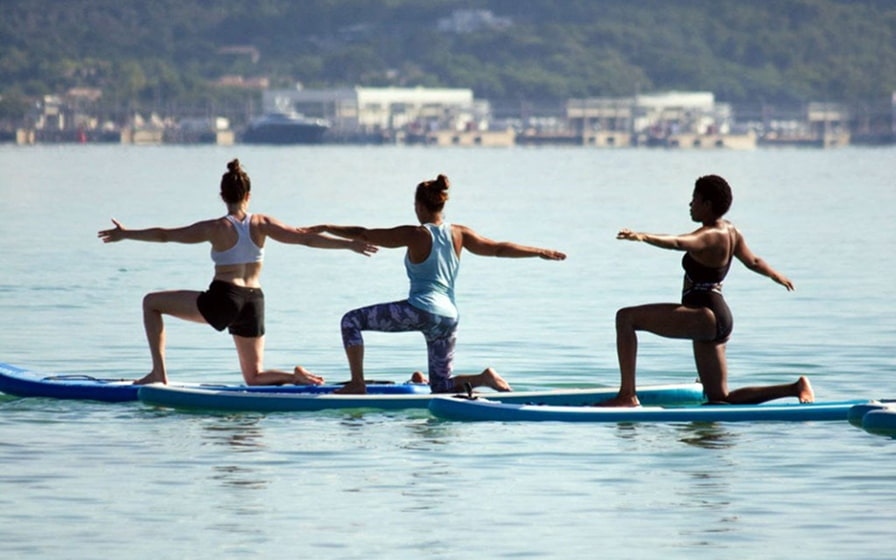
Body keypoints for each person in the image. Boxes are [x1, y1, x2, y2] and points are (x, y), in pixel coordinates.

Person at [97, 158, 378, 386]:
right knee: (254, 377)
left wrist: (127, 234)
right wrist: (350, 245)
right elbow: (305, 238)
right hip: (254, 300)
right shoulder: (263, 223)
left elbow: (164, 235)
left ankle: (158, 374)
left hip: (224, 298)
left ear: (222, 196)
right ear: (248, 195)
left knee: (151, 303)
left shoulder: (216, 227)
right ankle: (294, 376)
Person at [309, 173, 566, 394]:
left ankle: (357, 384)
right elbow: (498, 249)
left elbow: (364, 233)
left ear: (420, 206)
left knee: (351, 321)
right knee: (441, 386)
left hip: (420, 310)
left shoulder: (417, 234)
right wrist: (538, 251)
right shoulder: (459, 233)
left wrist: (327, 227)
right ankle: (484, 378)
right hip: (449, 318)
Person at [600, 174, 813, 407]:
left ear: (707, 205)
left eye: (695, 199)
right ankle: (795, 388)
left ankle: (627, 396)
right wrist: (775, 275)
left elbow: (678, 242)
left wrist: (643, 236)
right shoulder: (731, 231)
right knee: (721, 398)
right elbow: (753, 261)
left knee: (626, 318)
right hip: (718, 318)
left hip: (704, 315)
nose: (691, 204)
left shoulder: (709, 235)